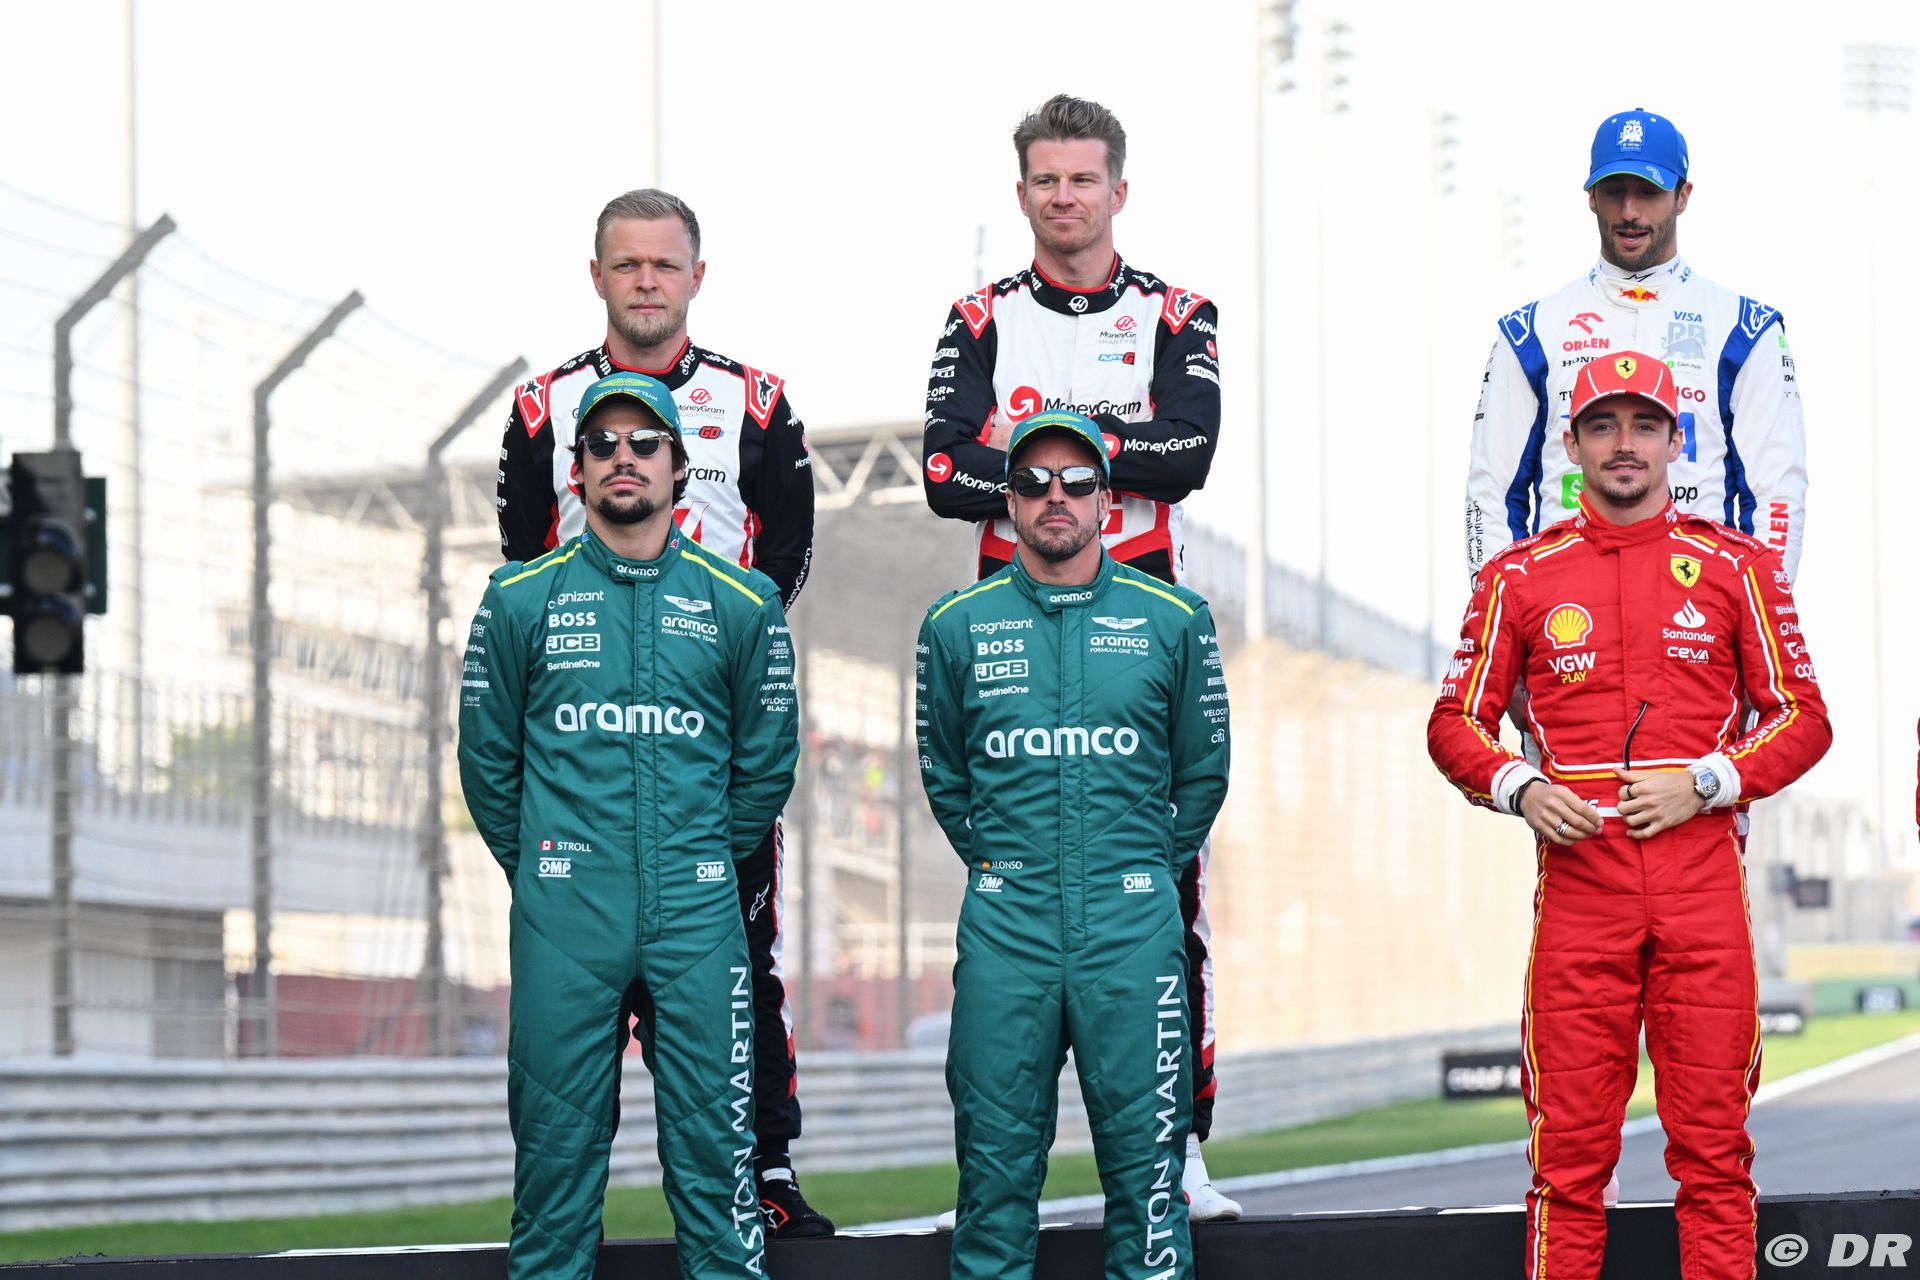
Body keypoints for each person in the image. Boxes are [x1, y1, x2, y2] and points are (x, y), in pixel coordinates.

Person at [1429, 353, 1830, 1280]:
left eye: (1644, 425)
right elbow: (1454, 723)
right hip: (1581, 896)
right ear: (1570, 445)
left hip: (1701, 891)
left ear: (1675, 441)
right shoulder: (1519, 576)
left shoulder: (1737, 566)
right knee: (1567, 1167)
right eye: (1603, 426)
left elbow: (1805, 718)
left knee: (1716, 1160)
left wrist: (1710, 782)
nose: (1624, 444)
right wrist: (1521, 788)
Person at [921, 91, 1239, 1221]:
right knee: (1004, 889)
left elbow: (1189, 454)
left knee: (1169, 892)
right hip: (1006, 619)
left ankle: (1180, 1147)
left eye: (1083, 178)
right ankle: (993, 1172)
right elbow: (943, 470)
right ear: (1022, 194)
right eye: (1047, 180)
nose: (1066, 197)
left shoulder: (1177, 311)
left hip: (1143, 610)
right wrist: (1108, 444)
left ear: (1118, 190)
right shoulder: (978, 315)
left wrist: (1031, 444)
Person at [496, 188, 830, 1237]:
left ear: (697, 276)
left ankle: (766, 1169)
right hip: (582, 759)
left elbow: (784, 562)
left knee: (746, 956)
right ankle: (564, 1205)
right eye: (628, 264)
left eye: (664, 264)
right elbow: (523, 563)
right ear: (597, 276)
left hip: (706, 741)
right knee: (571, 981)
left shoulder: (757, 401)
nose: (647, 282)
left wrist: (709, 653)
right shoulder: (542, 405)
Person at [460, 372, 800, 1280]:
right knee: (552, 1181)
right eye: (602, 444)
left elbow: (766, 767)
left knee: (722, 1178)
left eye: (645, 443)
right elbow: (488, 766)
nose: (624, 457)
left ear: (680, 467)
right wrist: (551, 868)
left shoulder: (744, 602)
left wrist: (696, 858)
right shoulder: (517, 599)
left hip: (697, 914)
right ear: (574, 471)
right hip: (566, 918)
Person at [917, 409, 1231, 1280]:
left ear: (1106, 500)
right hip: (1007, 925)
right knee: (991, 1185)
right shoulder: (955, 624)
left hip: (1132, 929)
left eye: (1077, 481)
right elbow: (946, 775)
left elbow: (1203, 775)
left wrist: (1137, 867)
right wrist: (1007, 864)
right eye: (1032, 482)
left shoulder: (1176, 618)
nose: (1055, 496)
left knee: (1150, 1189)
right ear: (1009, 503)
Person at [1466, 108, 1807, 583]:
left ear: (1682, 196)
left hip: (1695, 605)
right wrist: (1504, 612)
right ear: (1591, 197)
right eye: (1614, 191)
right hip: (1566, 610)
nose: (1629, 211)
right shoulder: (1530, 332)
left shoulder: (1745, 330)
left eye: (1648, 191)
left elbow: (1777, 495)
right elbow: (1491, 494)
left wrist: (1759, 610)